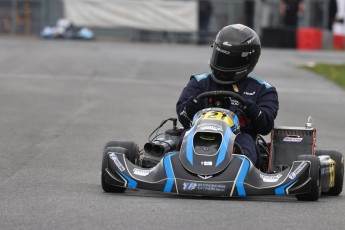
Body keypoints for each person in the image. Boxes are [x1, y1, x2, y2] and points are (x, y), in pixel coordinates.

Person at [176, 24, 279, 165]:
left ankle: (240, 174)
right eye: (219, 56)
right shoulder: (199, 82)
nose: (221, 64)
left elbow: (266, 126)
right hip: (198, 133)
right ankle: (178, 167)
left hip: (238, 138)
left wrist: (252, 109)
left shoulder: (262, 89)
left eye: (228, 60)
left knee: (246, 143)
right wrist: (191, 106)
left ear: (247, 59)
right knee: (184, 137)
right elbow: (183, 117)